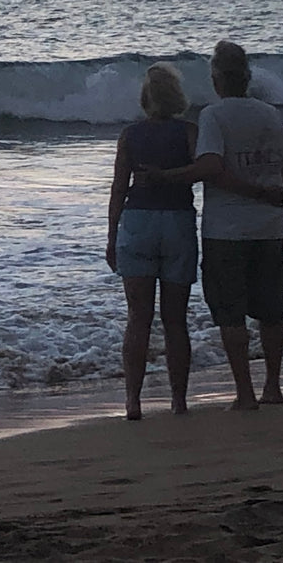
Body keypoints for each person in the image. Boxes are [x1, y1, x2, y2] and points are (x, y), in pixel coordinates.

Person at [148, 41, 283, 411]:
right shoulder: (271, 114)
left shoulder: (214, 116)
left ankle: (245, 393)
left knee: (231, 312)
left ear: (216, 78)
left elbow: (211, 168)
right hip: (270, 227)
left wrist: (165, 176)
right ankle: (273, 386)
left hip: (227, 229)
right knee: (272, 310)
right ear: (247, 77)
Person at [106, 62, 197, 420]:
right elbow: (201, 172)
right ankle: (178, 399)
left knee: (138, 318)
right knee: (175, 319)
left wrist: (112, 235)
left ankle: (133, 400)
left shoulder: (130, 135)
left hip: (138, 221)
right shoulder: (189, 132)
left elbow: (118, 188)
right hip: (177, 221)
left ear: (145, 98)